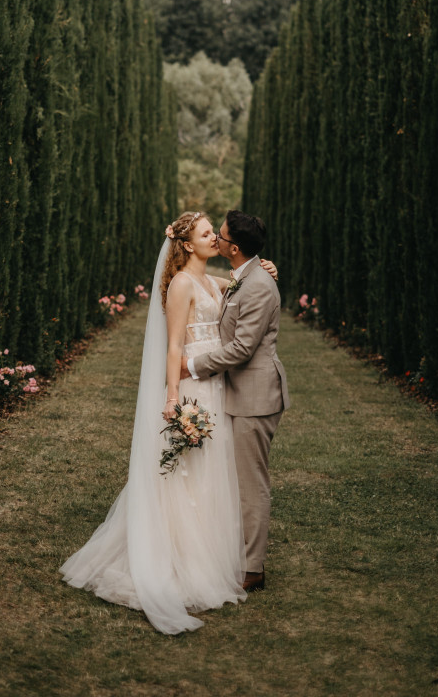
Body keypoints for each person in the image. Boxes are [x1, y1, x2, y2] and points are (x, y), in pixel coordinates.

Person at [59, 210, 278, 634]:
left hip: (217, 388)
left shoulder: (211, 281)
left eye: (216, 233)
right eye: (206, 233)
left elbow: (242, 282)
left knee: (212, 474)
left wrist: (264, 267)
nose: (214, 238)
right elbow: (174, 347)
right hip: (193, 386)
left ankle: (212, 555)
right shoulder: (180, 285)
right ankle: (179, 559)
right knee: (185, 476)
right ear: (187, 244)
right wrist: (173, 397)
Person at [183, 209, 290, 593]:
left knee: (251, 484)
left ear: (235, 248)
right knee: (238, 481)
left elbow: (243, 348)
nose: (217, 238)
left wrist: (192, 366)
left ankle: (252, 568)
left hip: (255, 397)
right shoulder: (245, 275)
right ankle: (236, 554)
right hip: (239, 393)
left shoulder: (258, 284)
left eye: (222, 235)